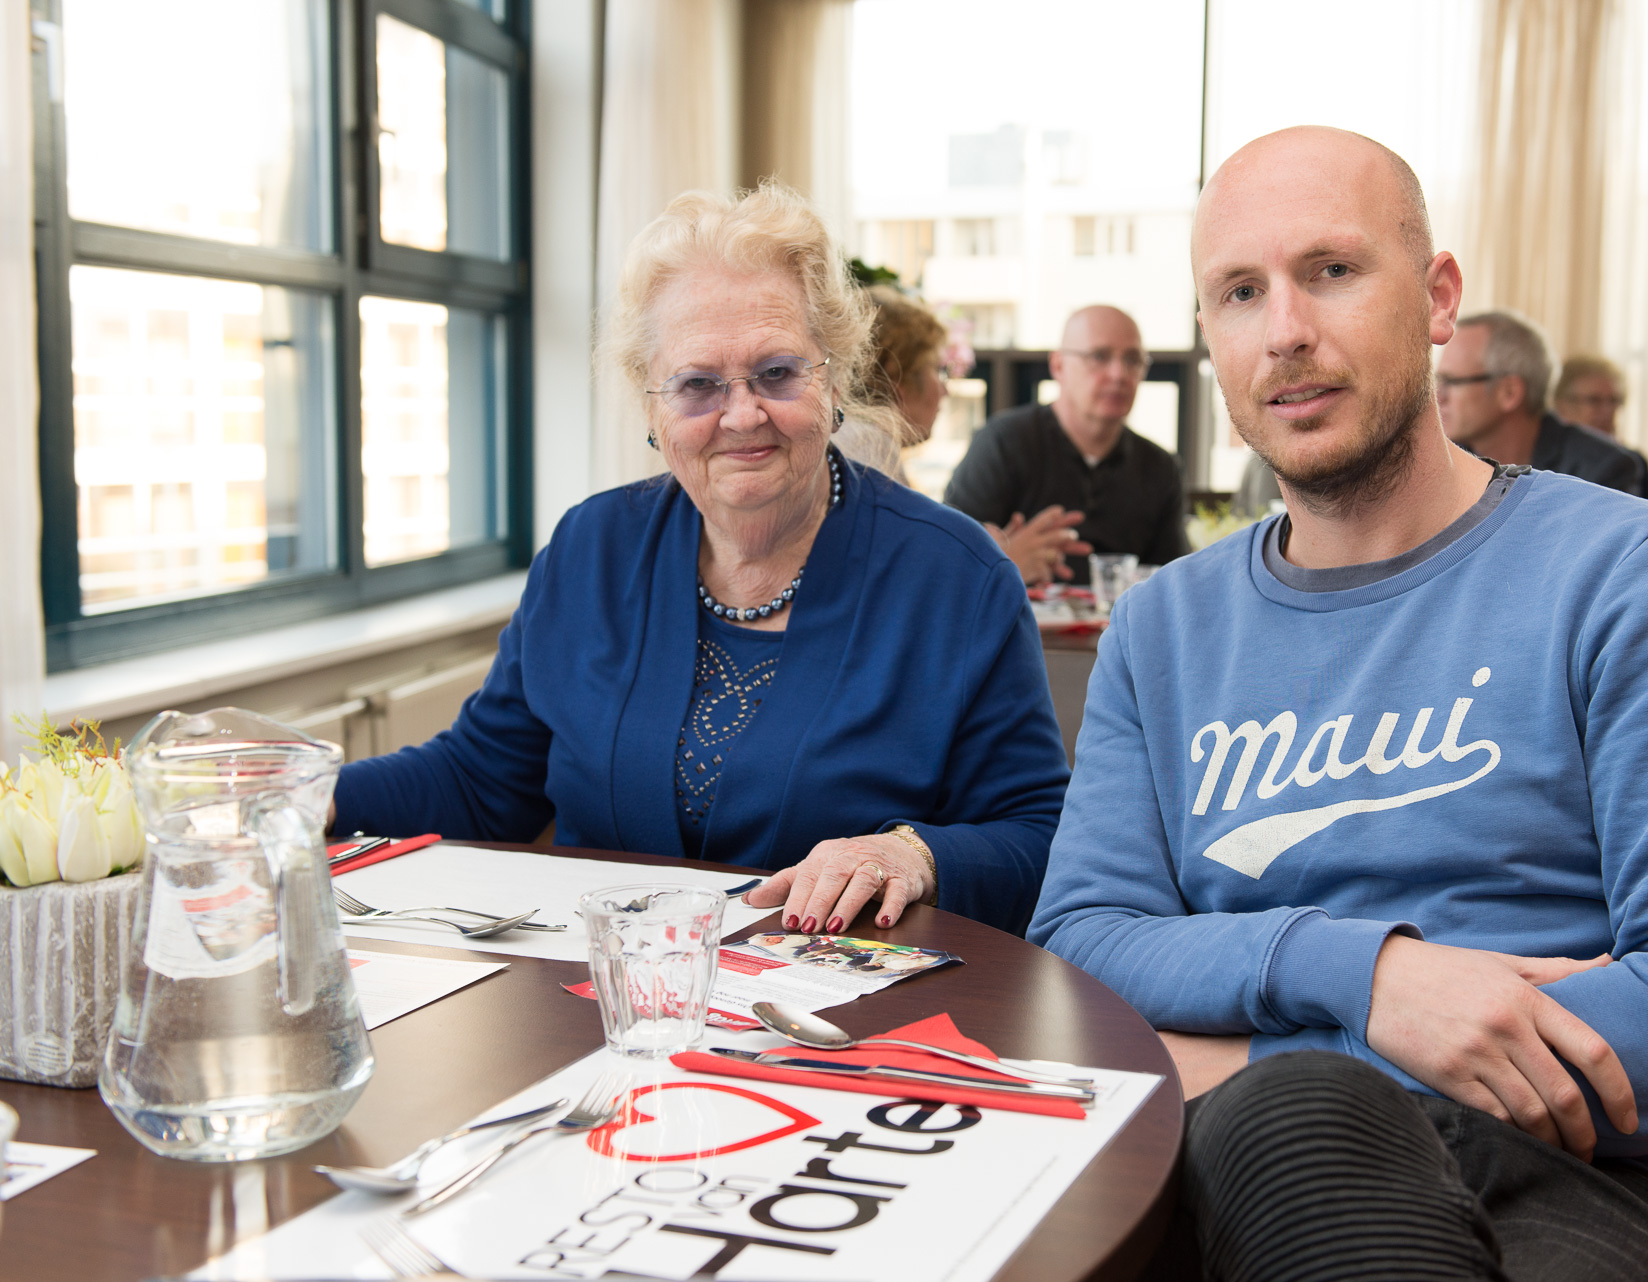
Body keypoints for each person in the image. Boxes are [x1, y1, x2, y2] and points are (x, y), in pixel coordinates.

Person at [1028, 126, 1648, 1281]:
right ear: (1212, 340)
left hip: (1595, 1178)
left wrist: (1241, 1038)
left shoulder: (1631, 574)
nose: (1287, 329)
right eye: (1240, 292)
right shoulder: (1163, 628)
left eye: (1333, 271)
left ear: (1439, 298)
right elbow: (1086, 947)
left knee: (1295, 1093)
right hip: (1262, 1162)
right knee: (1299, 1109)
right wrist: (1378, 983)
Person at [330, 183, 1069, 936]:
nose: (742, 414)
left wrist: (914, 854)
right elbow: (481, 780)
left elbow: (1039, 835)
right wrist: (305, 789)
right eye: (698, 384)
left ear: (836, 379)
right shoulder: (590, 550)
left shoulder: (956, 580)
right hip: (599, 1005)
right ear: (652, 406)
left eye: (778, 373)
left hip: (830, 1022)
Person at [844, 285, 1087, 585]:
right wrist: (1001, 569)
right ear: (897, 378)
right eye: (937, 369)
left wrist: (981, 554)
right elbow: (903, 597)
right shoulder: (865, 449)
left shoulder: (850, 439)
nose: (944, 389)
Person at [944, 305, 1189, 584]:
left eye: (1133, 359)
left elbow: (1172, 581)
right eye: (1099, 356)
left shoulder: (1159, 467)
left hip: (1119, 625)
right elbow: (944, 562)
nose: (1119, 374)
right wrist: (1003, 565)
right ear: (1058, 366)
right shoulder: (1004, 442)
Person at [1437, 311, 1648, 501]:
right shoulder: (1443, 459)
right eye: (1436, 380)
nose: (1437, 395)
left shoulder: (1602, 470)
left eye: (1452, 382)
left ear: (1509, 393)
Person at [1555, 352, 1648, 501]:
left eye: (1614, 401)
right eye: (1594, 400)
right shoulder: (1544, 458)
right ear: (1562, 404)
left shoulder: (1632, 461)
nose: (1608, 411)